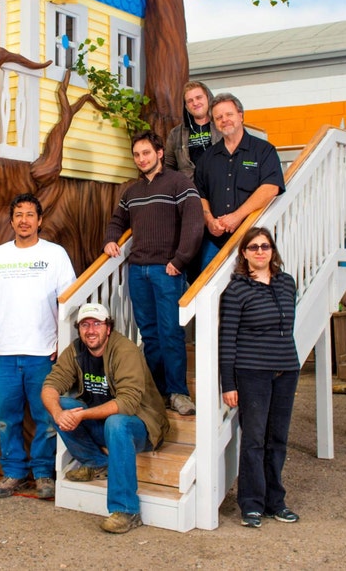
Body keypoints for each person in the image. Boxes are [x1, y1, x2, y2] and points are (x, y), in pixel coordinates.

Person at [0, 193, 76, 500]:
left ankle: (44, 473)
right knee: (6, 417)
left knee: (46, 417)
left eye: (30, 214)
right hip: (3, 352)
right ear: (11, 221)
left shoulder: (55, 254)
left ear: (40, 220)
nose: (24, 220)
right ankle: (14, 473)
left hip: (43, 352)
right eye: (18, 214)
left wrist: (63, 340)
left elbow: (68, 301)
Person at [41, 302, 170, 534]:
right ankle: (97, 463)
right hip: (104, 425)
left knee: (116, 421)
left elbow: (127, 403)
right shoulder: (76, 350)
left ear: (108, 328)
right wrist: (60, 414)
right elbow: (51, 385)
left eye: (97, 324)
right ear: (79, 328)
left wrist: (81, 415)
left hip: (140, 426)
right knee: (55, 404)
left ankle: (127, 510)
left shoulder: (125, 351)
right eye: (85, 325)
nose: (91, 330)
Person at [103, 130, 203, 416]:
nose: (141, 159)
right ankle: (158, 391)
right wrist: (110, 239)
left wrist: (180, 260)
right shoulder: (132, 192)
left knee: (171, 332)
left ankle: (178, 392)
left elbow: (194, 224)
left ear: (159, 153)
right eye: (136, 154)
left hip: (167, 270)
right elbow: (116, 221)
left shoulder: (178, 182)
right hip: (138, 272)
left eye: (146, 153)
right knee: (150, 334)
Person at [219, 227, 301, 528]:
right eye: (253, 247)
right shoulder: (237, 289)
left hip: (286, 369)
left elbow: (287, 327)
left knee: (277, 438)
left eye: (265, 246)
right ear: (244, 253)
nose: (260, 252)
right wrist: (228, 383)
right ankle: (251, 504)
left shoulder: (286, 283)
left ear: (272, 251)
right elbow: (227, 338)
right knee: (253, 439)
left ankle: (275, 502)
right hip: (252, 372)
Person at [194, 93, 285, 269]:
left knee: (256, 288)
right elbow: (200, 194)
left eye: (229, 114)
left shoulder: (263, 150)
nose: (224, 120)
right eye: (219, 117)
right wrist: (209, 220)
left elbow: (270, 188)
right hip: (215, 242)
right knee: (206, 289)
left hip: (254, 239)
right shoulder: (207, 158)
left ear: (241, 116)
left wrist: (237, 216)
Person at [163, 80, 221, 179]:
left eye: (199, 98)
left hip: (218, 185)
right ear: (186, 106)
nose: (195, 103)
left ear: (208, 98)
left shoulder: (222, 126)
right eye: (190, 101)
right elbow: (168, 166)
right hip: (189, 189)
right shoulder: (176, 134)